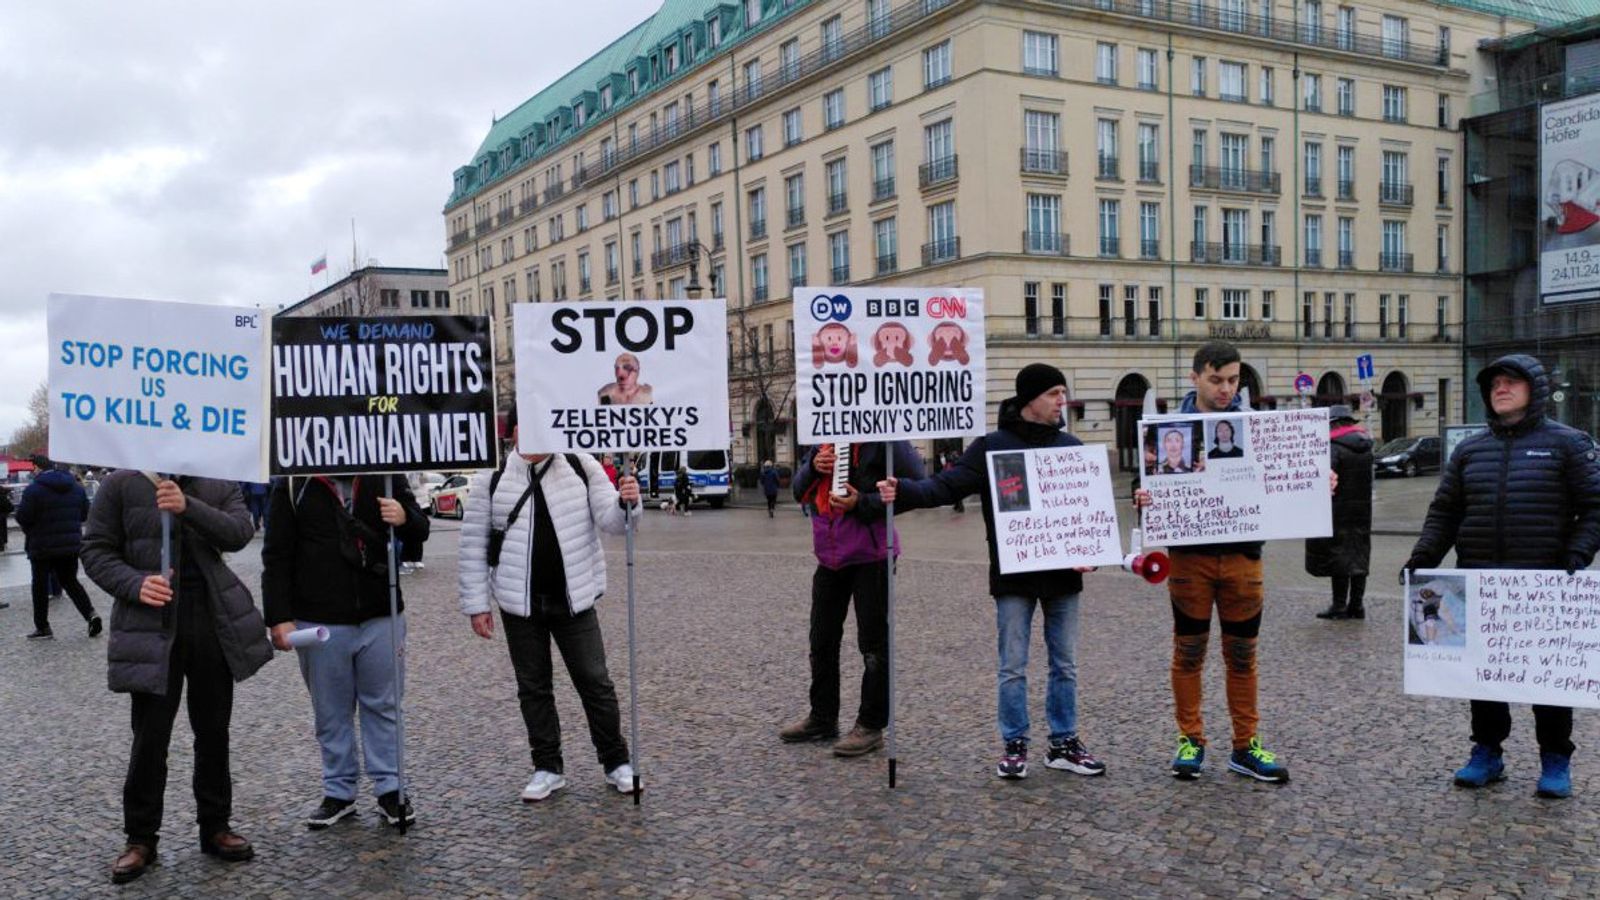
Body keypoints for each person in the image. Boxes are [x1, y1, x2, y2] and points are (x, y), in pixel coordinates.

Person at [878, 364, 1106, 780]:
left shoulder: (1071, 447)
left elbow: (1089, 514)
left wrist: (1092, 551)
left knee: (1065, 664)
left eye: (1063, 393)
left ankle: (1064, 743)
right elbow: (945, 487)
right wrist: (905, 490)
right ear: (1030, 399)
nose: (1062, 401)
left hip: (1062, 576)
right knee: (1013, 666)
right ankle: (1014, 744)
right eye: (1055, 393)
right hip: (1015, 575)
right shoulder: (990, 447)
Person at [1403, 353, 1600, 799]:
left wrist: (1578, 553)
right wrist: (1423, 556)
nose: (1501, 390)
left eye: (1511, 382)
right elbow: (1446, 511)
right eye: (1494, 385)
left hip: (1542, 585)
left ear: (1535, 390)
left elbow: (1594, 506)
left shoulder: (1568, 443)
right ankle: (1487, 752)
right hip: (1479, 582)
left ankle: (1555, 758)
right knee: (1483, 677)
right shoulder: (1470, 450)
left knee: (1548, 680)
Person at [1133, 342, 1330, 784]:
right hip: (1189, 562)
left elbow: (1289, 477)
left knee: (1242, 656)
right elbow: (1146, 486)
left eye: (1234, 380)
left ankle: (1245, 746)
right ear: (1195, 377)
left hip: (1243, 558)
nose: (1226, 389)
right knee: (1190, 652)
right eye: (1216, 379)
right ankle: (1191, 740)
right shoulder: (1167, 431)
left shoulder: (1256, 428)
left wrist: (1320, 480)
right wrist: (1142, 497)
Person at [81, 471, 272, 884]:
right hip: (149, 626)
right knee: (150, 737)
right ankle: (141, 838)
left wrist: (189, 506)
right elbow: (96, 550)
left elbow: (239, 532)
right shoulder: (121, 483)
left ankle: (215, 826)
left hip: (211, 620)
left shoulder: (217, 477)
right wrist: (134, 583)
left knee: (213, 731)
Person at [457, 405, 642, 802]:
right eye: (529, 426)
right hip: (518, 605)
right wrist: (476, 604)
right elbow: (473, 545)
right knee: (533, 688)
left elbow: (612, 521)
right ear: (516, 432)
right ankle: (547, 766)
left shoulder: (580, 464)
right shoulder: (491, 480)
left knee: (595, 682)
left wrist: (628, 503)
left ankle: (616, 761)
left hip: (574, 600)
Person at [263, 470, 430, 829]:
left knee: (384, 706)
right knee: (331, 711)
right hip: (319, 620)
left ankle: (391, 789)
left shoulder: (385, 473)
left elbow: (420, 530)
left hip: (380, 614)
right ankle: (338, 791)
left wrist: (404, 518)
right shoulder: (294, 481)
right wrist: (278, 617)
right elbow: (276, 554)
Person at [781, 441, 923, 758]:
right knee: (822, 640)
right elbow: (797, 491)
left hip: (872, 554)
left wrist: (863, 503)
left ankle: (871, 726)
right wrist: (812, 466)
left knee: (873, 645)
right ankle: (822, 717)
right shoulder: (824, 436)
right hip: (829, 555)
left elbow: (918, 486)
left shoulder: (886, 438)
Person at [14, 455, 99, 639]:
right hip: (70, 544)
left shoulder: (33, 490)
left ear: (37, 468)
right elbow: (84, 514)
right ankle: (91, 615)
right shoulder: (76, 488)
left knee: (40, 586)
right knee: (71, 582)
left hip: (41, 545)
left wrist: (31, 530)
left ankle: (43, 627)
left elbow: (22, 517)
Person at [1306, 405, 1374, 620]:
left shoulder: (1333, 447)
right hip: (1363, 511)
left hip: (1338, 511)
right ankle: (1357, 605)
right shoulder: (1366, 447)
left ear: (1334, 423)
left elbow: (1326, 480)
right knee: (1359, 556)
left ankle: (1338, 606)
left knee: (1340, 558)